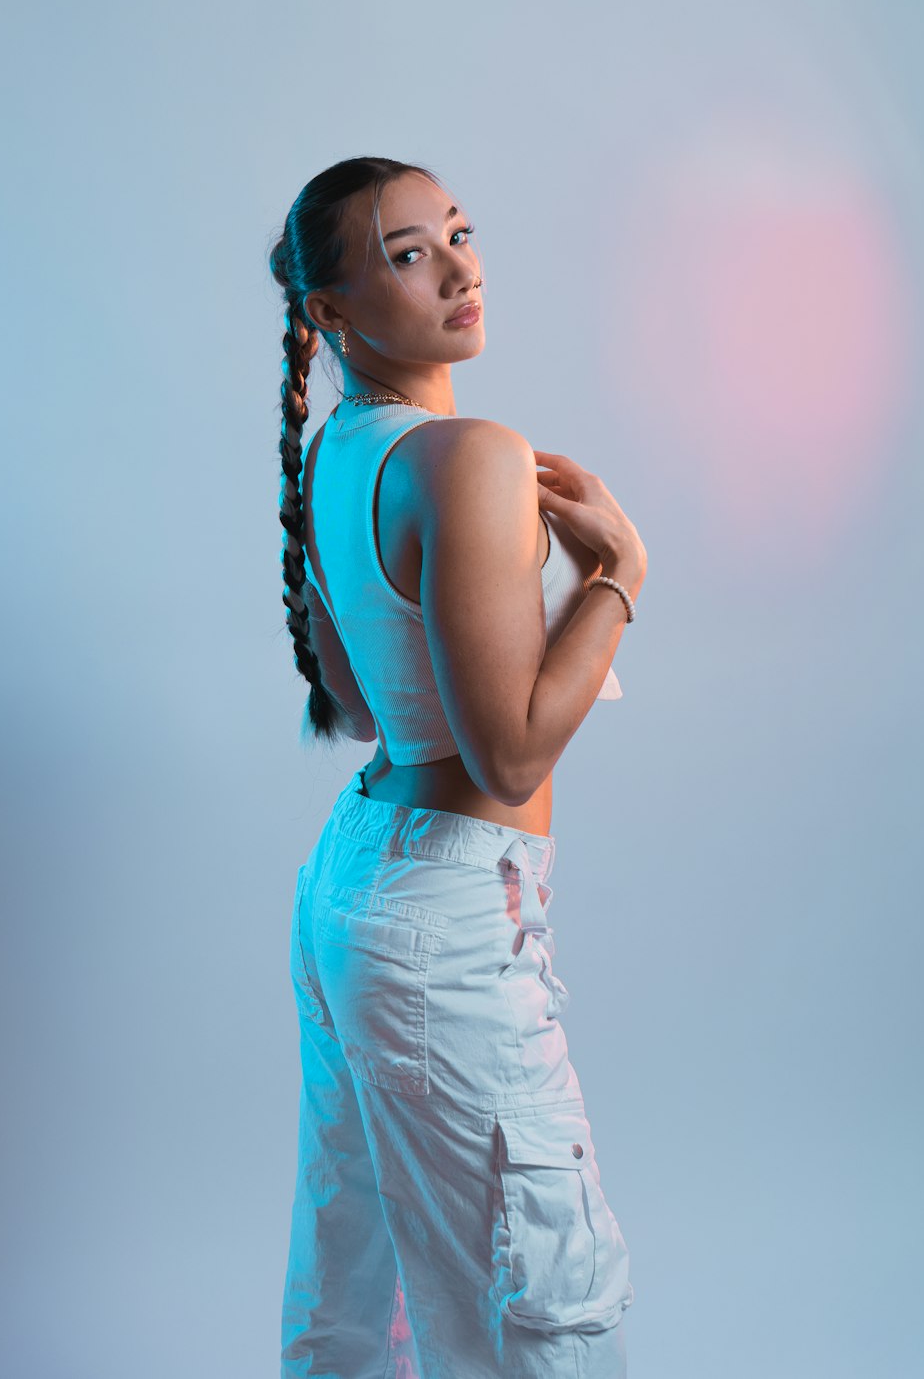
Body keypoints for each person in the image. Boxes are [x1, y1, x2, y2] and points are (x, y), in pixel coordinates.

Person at [270, 155, 648, 1378]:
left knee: (356, 1297)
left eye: (458, 233)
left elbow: (362, 701)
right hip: (440, 918)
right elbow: (509, 748)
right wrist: (620, 580)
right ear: (331, 312)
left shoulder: (339, 452)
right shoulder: (469, 452)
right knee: (539, 1317)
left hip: (356, 888)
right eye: (407, 253)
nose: (460, 267)